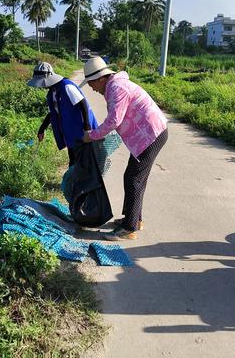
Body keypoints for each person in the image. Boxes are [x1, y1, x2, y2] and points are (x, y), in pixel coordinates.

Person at [81, 56, 168, 241]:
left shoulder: (116, 88)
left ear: (101, 78)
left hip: (151, 135)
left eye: (91, 83)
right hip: (145, 136)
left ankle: (129, 228)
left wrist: (92, 136)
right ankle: (134, 220)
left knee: (134, 179)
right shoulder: (113, 86)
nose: (91, 88)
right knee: (135, 178)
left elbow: (114, 120)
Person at [27, 62, 97, 167]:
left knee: (82, 160)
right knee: (73, 159)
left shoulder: (66, 86)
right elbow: (53, 113)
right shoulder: (52, 92)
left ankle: (81, 182)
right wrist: (42, 128)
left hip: (80, 130)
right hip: (70, 132)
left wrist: (87, 127)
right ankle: (75, 181)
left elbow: (83, 104)